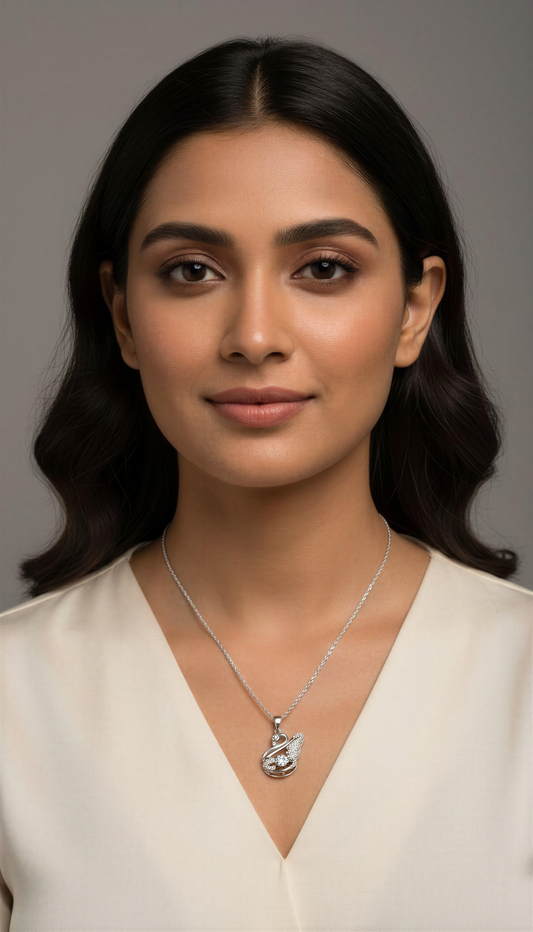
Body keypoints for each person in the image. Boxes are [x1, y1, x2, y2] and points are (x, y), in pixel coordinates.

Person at [0, 35, 530, 932]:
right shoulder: (14, 695)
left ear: (414, 308)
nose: (253, 334)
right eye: (190, 272)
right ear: (122, 316)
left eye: (322, 269)